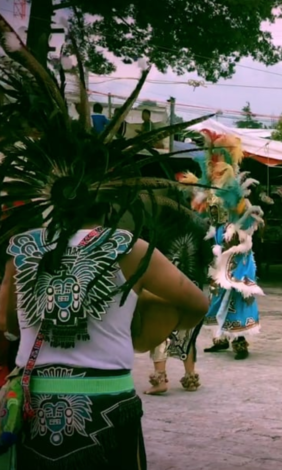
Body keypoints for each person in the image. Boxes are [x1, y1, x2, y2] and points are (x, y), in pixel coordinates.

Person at [0, 27, 210, 469]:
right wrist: (148, 318)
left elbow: (7, 325)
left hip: (31, 413)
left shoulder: (23, 248)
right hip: (105, 412)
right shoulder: (124, 247)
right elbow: (197, 301)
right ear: (112, 196)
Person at [179, 129, 266, 361]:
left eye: (218, 159)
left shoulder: (234, 189)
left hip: (235, 247)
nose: (214, 164)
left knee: (236, 291)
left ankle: (239, 340)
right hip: (217, 245)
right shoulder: (209, 189)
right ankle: (220, 337)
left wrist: (235, 231)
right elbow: (205, 214)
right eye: (212, 159)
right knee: (217, 291)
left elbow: (247, 218)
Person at [143, 206, 212, 395]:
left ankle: (160, 378)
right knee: (188, 333)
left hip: (164, 286)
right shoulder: (200, 227)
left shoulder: (156, 227)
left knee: (160, 329)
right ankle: (190, 377)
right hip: (192, 286)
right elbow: (208, 257)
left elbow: (147, 255)